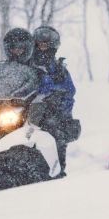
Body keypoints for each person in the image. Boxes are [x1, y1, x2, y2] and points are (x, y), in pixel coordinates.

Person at [30, 25, 78, 176]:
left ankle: (57, 171)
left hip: (49, 113)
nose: (41, 47)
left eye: (45, 44)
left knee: (55, 130)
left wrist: (56, 102)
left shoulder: (58, 69)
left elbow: (69, 92)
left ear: (52, 46)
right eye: (39, 44)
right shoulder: (25, 64)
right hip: (22, 109)